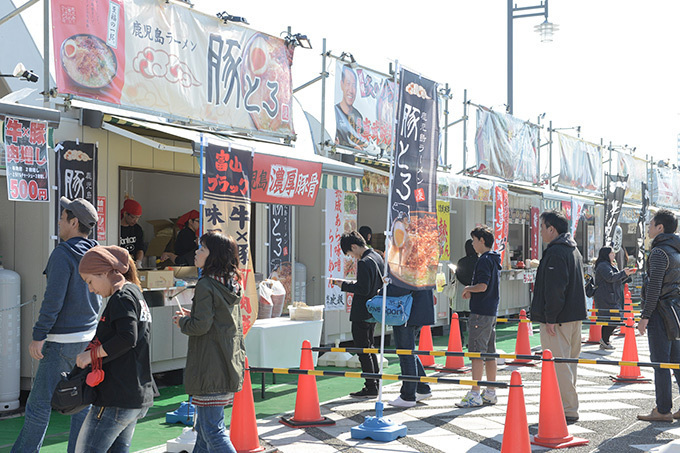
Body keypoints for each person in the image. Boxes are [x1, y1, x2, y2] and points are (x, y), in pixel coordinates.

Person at [12, 197, 100, 453]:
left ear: (73, 223)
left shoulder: (63, 254)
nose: (59, 222)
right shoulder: (95, 252)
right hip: (88, 339)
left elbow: (53, 301)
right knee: (81, 405)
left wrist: (39, 335)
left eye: (62, 218)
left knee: (39, 405)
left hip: (61, 342)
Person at [74, 245, 154, 452]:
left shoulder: (122, 298)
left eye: (90, 281)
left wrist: (90, 356)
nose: (91, 289)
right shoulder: (135, 292)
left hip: (117, 395)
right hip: (135, 393)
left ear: (104, 272)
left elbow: (127, 338)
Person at [173, 232, 246, 452]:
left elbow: (200, 326)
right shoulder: (231, 282)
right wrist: (193, 314)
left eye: (202, 249)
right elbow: (218, 320)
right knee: (204, 433)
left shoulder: (206, 284)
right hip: (227, 362)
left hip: (209, 366)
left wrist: (183, 321)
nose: (196, 252)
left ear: (213, 256)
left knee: (212, 431)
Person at [530, 210, 587, 423]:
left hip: (559, 319)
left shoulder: (555, 252)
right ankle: (567, 405)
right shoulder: (573, 250)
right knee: (569, 363)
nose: (541, 231)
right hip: (574, 317)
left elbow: (555, 289)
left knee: (559, 364)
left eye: (543, 227)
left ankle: (568, 408)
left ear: (552, 229)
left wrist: (550, 317)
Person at [637, 209, 680, 422]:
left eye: (651, 224)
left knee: (660, 363)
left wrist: (645, 316)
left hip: (660, 314)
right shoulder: (676, 251)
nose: (648, 227)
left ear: (660, 227)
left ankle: (663, 410)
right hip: (676, 311)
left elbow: (654, 287)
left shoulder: (659, 253)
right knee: (676, 360)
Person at [331, 230, 384, 398]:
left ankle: (370, 385)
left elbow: (363, 288)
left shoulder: (364, 262)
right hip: (374, 309)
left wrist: (344, 285)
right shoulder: (377, 257)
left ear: (354, 246)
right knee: (370, 347)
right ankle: (376, 382)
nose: (352, 257)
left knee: (363, 349)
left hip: (362, 310)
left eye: (350, 253)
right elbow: (369, 284)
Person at [456, 226, 501, 408]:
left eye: (474, 240)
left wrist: (468, 289)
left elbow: (482, 285)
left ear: (482, 240)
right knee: (490, 353)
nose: (473, 244)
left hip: (480, 312)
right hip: (491, 311)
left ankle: (474, 393)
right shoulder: (495, 259)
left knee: (476, 353)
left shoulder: (483, 261)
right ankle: (490, 391)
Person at [388, 288, 435, 408]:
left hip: (406, 310)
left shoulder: (405, 268)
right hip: (420, 308)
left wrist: (383, 291)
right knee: (409, 351)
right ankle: (422, 388)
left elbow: (400, 287)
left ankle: (408, 396)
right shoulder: (422, 268)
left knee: (405, 354)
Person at [593, 246, 636, 350]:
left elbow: (615, 279)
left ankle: (605, 340)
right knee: (614, 318)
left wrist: (626, 275)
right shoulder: (603, 265)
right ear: (606, 254)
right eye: (612, 253)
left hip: (610, 296)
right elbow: (610, 277)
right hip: (606, 297)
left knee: (611, 319)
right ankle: (604, 340)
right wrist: (623, 273)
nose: (614, 254)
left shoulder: (608, 264)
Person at [334, 65, 368, 150]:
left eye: (353, 85)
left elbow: (363, 140)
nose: (351, 90)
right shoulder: (335, 112)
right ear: (342, 85)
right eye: (348, 84)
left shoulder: (358, 116)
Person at [120, 198, 144, 266]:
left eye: (138, 218)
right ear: (125, 213)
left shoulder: (137, 229)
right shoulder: (116, 228)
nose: (135, 221)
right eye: (133, 217)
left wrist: (138, 262)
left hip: (132, 264)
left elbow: (140, 249)